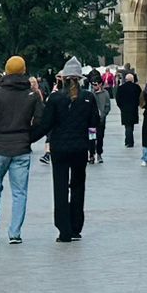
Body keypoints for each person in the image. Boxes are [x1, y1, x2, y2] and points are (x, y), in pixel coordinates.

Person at [0, 57, 43, 244]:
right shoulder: (32, 95)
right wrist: (29, 137)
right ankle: (15, 232)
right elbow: (39, 121)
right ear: (24, 70)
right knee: (19, 192)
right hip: (21, 146)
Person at [35, 59, 100, 242]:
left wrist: (28, 138)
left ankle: (64, 230)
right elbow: (95, 122)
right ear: (80, 78)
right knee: (78, 187)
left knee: (60, 188)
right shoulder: (88, 97)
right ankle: (76, 227)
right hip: (80, 148)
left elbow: (45, 125)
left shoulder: (55, 98)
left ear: (63, 78)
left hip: (60, 148)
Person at [116, 70, 142, 150]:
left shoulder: (121, 88)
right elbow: (140, 98)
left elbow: (118, 99)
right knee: (131, 126)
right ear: (133, 79)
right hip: (133, 109)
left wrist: (121, 107)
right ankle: (130, 141)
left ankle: (128, 141)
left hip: (124, 109)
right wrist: (137, 105)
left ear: (126, 80)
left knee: (127, 126)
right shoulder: (136, 87)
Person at [90, 75, 111, 163]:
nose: (94, 86)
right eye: (92, 85)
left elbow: (107, 106)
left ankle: (99, 154)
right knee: (91, 138)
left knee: (100, 137)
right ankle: (91, 155)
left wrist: (103, 114)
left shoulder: (105, 93)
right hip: (91, 121)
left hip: (101, 120)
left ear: (100, 84)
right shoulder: (90, 94)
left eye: (95, 84)